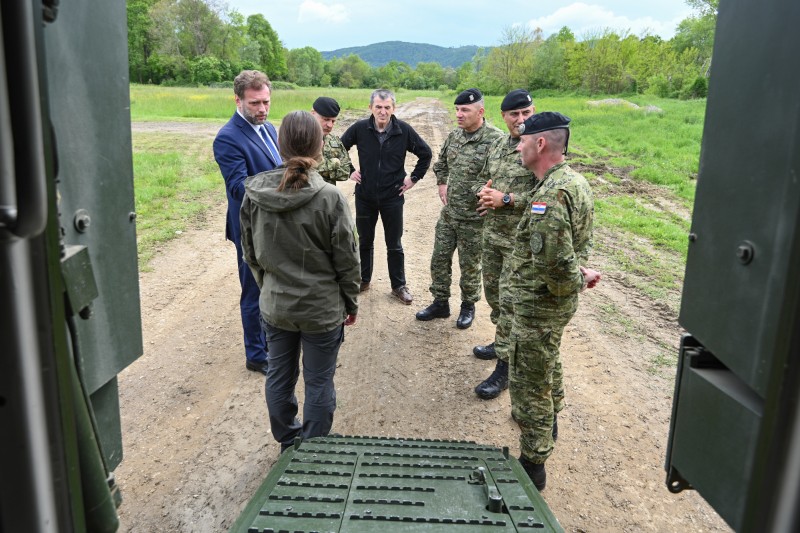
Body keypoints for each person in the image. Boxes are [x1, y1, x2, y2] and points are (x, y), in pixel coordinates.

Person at [239, 111, 360, 451]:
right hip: (321, 309)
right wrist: (350, 302)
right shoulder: (329, 198)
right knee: (319, 381)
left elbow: (250, 253)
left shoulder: (254, 193)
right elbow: (348, 260)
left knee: (279, 375)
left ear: (280, 144)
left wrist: (268, 289)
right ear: (319, 145)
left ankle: (288, 440)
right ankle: (314, 447)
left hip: (276, 305)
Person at [504, 111, 601, 491]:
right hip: (549, 308)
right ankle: (552, 420)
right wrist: (580, 274)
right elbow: (580, 248)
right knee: (548, 362)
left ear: (540, 144)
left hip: (539, 306)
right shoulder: (573, 182)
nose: (518, 145)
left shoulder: (550, 195)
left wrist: (577, 278)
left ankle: (533, 464)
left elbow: (557, 266)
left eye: (523, 140)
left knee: (530, 384)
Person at [415, 88, 503, 328]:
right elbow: (441, 163)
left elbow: (503, 178)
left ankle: (468, 305)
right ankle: (440, 302)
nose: (459, 114)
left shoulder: (496, 140)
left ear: (480, 111)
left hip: (475, 219)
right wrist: (442, 183)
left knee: (470, 265)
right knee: (439, 258)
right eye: (457, 109)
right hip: (450, 214)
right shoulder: (455, 136)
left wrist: (491, 203)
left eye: (465, 110)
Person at [213, 70, 282, 375]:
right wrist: (285, 186)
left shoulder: (269, 129)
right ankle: (256, 354)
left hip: (276, 227)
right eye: (255, 103)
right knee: (254, 293)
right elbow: (240, 188)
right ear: (238, 100)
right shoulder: (227, 138)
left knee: (272, 288)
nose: (262, 109)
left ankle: (269, 341)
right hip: (250, 231)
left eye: (266, 102)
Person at [471, 89, 537, 400]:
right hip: (493, 237)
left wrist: (506, 200)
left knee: (512, 306)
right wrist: (483, 196)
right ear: (504, 117)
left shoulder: (540, 147)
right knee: (495, 298)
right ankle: (501, 343)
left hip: (520, 245)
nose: (521, 120)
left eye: (526, 113)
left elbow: (547, 198)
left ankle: (505, 368)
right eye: (515, 114)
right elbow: (484, 180)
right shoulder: (498, 146)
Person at [340, 89, 433, 304]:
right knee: (364, 240)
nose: (382, 111)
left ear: (393, 108)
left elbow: (425, 154)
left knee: (394, 243)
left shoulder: (404, 131)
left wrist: (413, 179)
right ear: (371, 108)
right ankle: (363, 280)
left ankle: (398, 286)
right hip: (365, 196)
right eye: (378, 107)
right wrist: (349, 170)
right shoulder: (360, 129)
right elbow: (338, 149)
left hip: (392, 196)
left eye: (387, 107)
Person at [310, 96, 352, 186]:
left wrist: (318, 168)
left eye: (333, 121)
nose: (330, 125)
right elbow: (296, 170)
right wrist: (334, 163)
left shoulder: (334, 141)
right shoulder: (297, 137)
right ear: (313, 113)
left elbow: (346, 172)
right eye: (326, 119)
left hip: (328, 197)